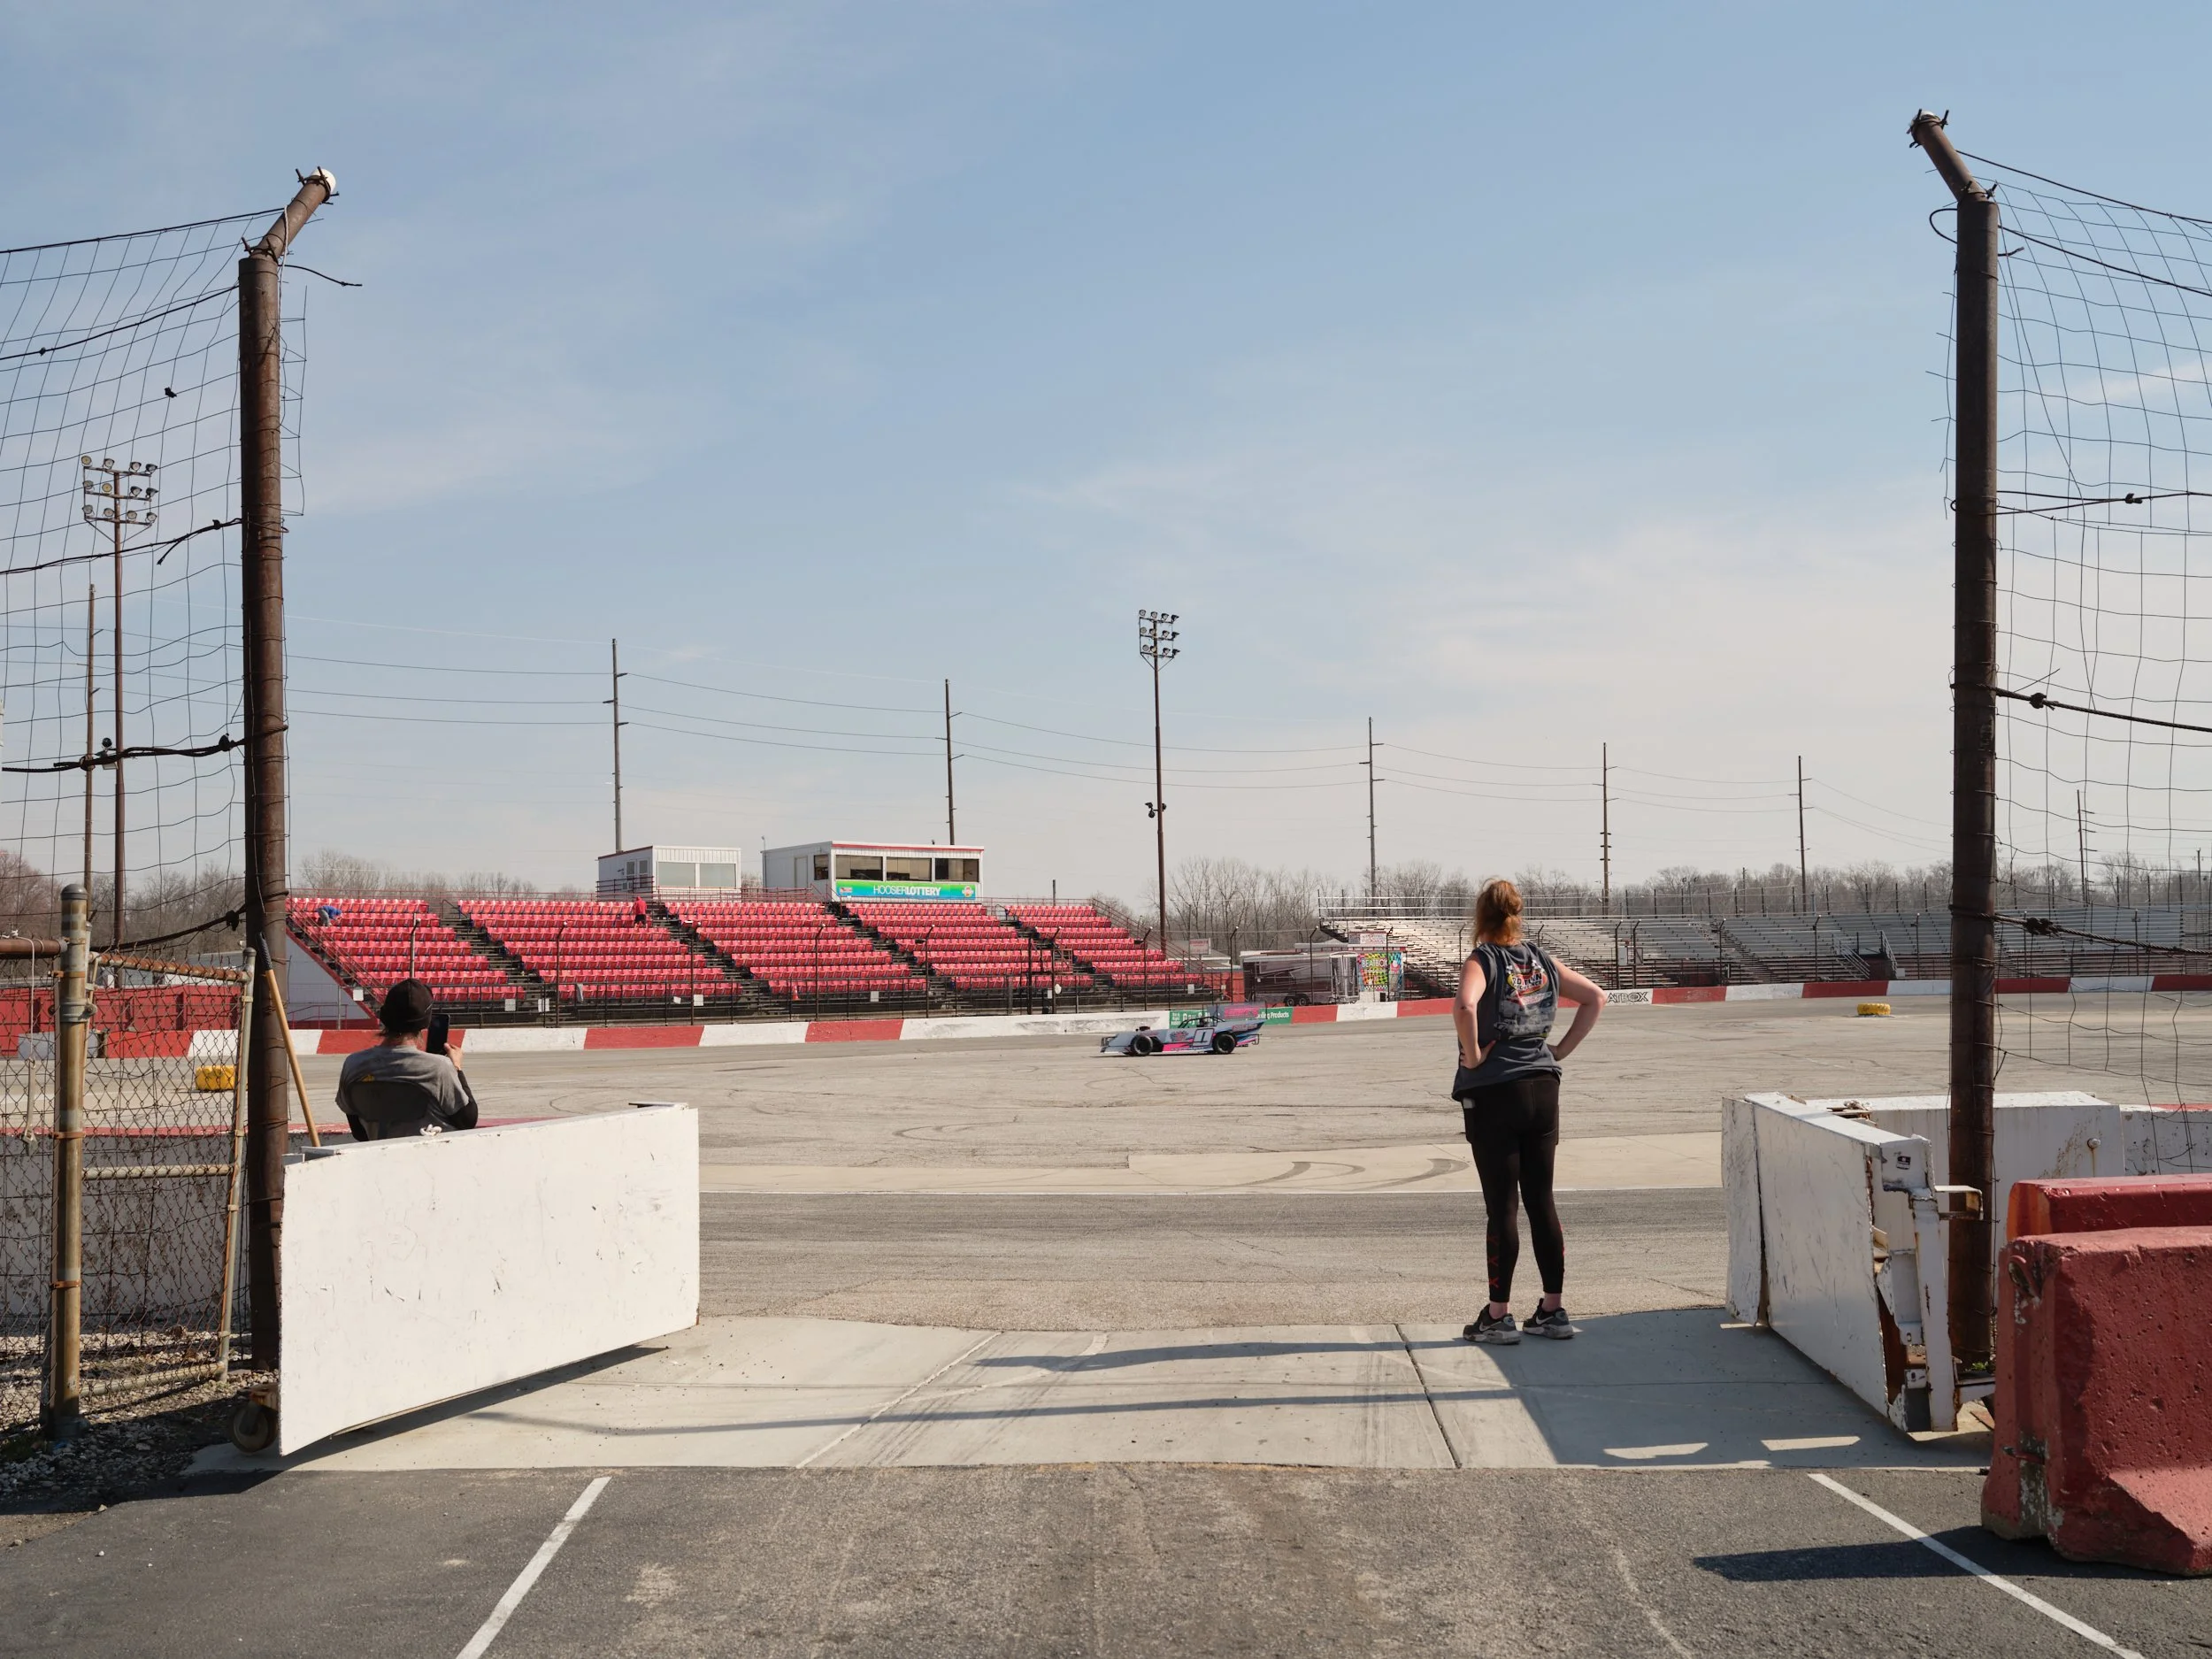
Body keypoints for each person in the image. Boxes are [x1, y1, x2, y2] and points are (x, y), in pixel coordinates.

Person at [1452, 878, 1606, 1345]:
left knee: (1502, 1207)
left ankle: (1498, 1316)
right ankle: (1552, 1311)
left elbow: (1464, 1004)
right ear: (1518, 914)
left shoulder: (1483, 958)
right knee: (1542, 1200)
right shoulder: (1541, 959)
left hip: (1496, 1091)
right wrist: (1558, 1050)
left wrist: (1474, 1055)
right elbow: (1595, 997)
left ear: (1481, 916)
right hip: (1544, 1087)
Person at [335, 979, 480, 1141]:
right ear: (426, 1021)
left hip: (378, 1156)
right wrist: (457, 1068)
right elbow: (468, 1120)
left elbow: (359, 1132)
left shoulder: (353, 1064)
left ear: (384, 1016)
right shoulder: (439, 1067)